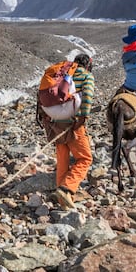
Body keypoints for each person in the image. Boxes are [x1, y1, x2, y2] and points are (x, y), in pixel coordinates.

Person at [37, 54, 95, 209]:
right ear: (88, 65)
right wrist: (83, 116)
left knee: (62, 155)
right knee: (85, 158)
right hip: (72, 121)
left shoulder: (62, 73)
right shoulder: (86, 75)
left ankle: (60, 192)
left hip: (54, 121)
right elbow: (88, 96)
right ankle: (67, 188)